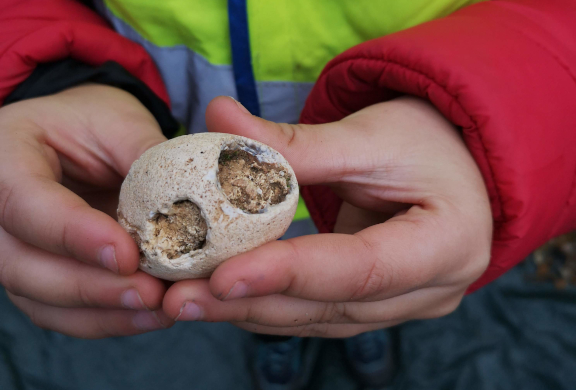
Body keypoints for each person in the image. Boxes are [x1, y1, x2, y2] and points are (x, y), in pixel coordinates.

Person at [0, 0, 575, 389]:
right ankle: (273, 334)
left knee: (373, 283)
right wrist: (42, 76)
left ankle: (363, 330)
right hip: (132, 143)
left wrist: (484, 118)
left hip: (390, 177)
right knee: (254, 290)